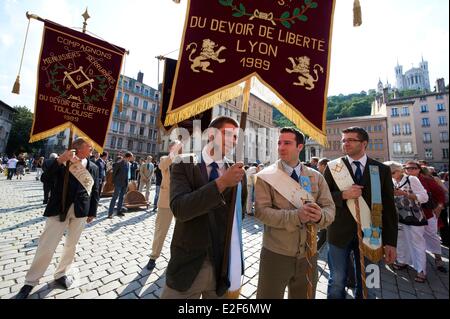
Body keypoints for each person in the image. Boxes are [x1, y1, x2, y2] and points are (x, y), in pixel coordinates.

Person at [160, 116, 247, 299]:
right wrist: (221, 183)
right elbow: (180, 209)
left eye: (236, 137)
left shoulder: (239, 173)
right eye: (227, 134)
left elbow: (239, 216)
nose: (233, 141)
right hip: (186, 266)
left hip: (222, 269)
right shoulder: (183, 163)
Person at [254, 127, 335, 299]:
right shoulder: (266, 176)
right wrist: (296, 216)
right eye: (279, 143)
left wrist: (320, 216)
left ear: (300, 147)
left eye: (287, 143)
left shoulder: (316, 177)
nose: (281, 147)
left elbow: (330, 208)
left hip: (309, 253)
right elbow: (261, 212)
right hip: (276, 252)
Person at [15, 138, 99, 299]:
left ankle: (61, 273)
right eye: (89, 147)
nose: (92, 150)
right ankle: (30, 282)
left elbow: (95, 189)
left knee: (71, 245)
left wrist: (92, 211)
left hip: (81, 210)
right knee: (46, 245)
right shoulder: (62, 162)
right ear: (78, 148)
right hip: (59, 207)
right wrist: (60, 160)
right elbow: (45, 179)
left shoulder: (93, 167)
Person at [323, 127, 397, 299]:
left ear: (364, 143)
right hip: (338, 233)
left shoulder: (381, 169)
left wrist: (391, 242)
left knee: (369, 283)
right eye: (344, 140)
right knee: (337, 280)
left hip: (372, 233)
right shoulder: (334, 167)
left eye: (351, 140)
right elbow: (323, 199)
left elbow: (389, 207)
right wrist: (343, 195)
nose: (345, 143)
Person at [386, 161, 429, 283]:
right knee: (401, 240)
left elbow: (424, 197)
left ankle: (421, 270)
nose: (391, 175)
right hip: (400, 217)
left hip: (414, 217)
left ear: (399, 170)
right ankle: (402, 260)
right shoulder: (394, 181)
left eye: (392, 173)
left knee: (417, 242)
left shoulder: (412, 179)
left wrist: (404, 193)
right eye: (390, 174)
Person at [404, 161, 447, 273]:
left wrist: (440, 206)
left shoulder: (426, 180)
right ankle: (413, 261)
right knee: (414, 239)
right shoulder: (403, 180)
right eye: (408, 168)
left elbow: (440, 193)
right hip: (411, 215)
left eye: (413, 168)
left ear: (419, 169)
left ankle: (438, 260)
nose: (410, 170)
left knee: (432, 237)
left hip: (427, 214)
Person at [146, 141, 182, 271]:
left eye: (180, 147)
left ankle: (177, 257)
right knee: (160, 230)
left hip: (181, 201)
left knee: (181, 231)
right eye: (175, 147)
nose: (179, 149)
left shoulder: (185, 160)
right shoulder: (164, 159)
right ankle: (153, 256)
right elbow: (162, 166)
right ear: (170, 148)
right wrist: (173, 153)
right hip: (166, 201)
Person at [108, 152, 134, 218]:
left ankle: (119, 211)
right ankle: (110, 213)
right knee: (115, 197)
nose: (131, 159)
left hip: (125, 183)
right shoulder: (119, 163)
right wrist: (114, 182)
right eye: (131, 157)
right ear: (127, 157)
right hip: (118, 183)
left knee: (121, 198)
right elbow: (114, 173)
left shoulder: (128, 164)